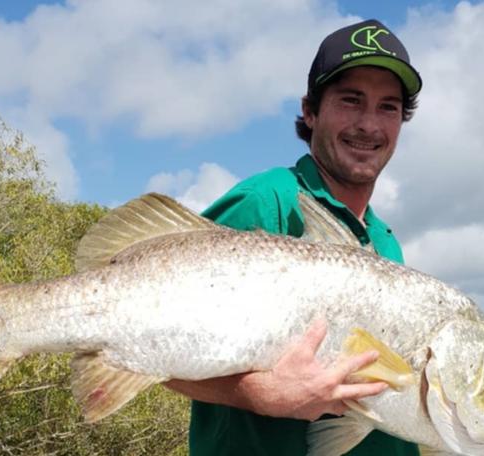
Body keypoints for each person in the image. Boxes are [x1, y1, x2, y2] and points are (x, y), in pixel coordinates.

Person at [166, 18, 422, 455]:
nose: (369, 124)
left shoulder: (385, 240)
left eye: (388, 107)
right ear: (310, 111)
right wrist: (256, 393)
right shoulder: (266, 203)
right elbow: (145, 334)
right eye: (350, 100)